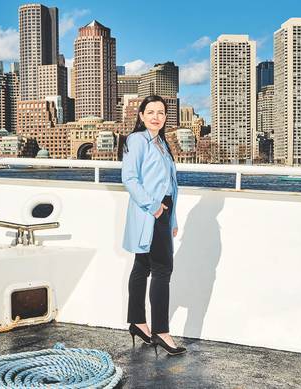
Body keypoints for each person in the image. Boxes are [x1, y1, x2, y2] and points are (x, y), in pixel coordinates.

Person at [122, 95, 186, 356]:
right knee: (163, 269)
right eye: (150, 112)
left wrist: (171, 218)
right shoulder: (137, 140)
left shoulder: (161, 142)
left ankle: (137, 322)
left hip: (162, 212)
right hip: (150, 211)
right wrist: (156, 208)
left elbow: (170, 185)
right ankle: (161, 331)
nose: (156, 117)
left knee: (143, 265)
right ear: (141, 115)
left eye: (161, 112)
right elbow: (129, 178)